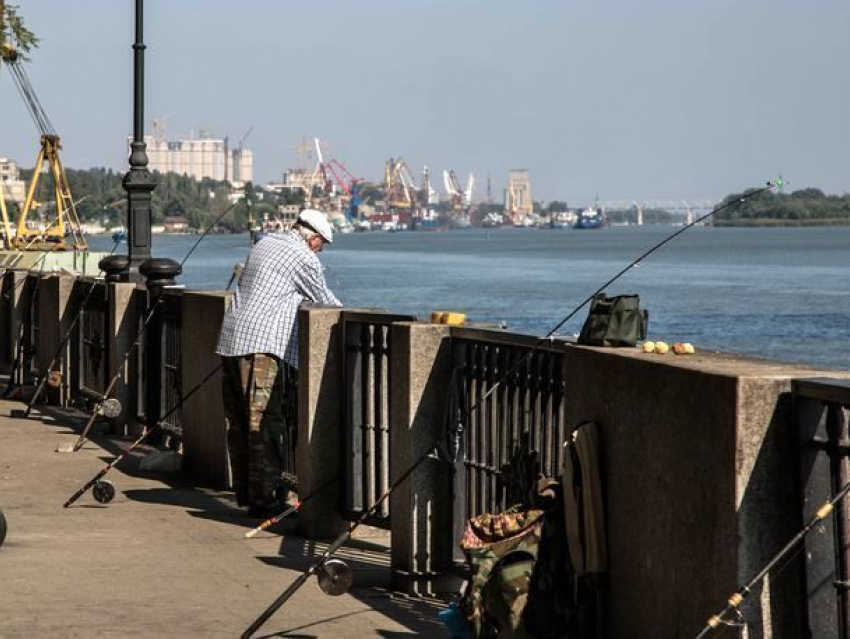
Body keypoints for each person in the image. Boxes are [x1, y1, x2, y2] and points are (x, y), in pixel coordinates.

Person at [216, 209, 342, 515]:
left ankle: (246, 494)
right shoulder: (303, 257)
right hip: (261, 346)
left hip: (232, 339)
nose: (320, 251)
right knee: (264, 423)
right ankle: (264, 499)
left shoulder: (266, 242)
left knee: (239, 423)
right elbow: (326, 302)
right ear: (313, 239)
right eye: (322, 245)